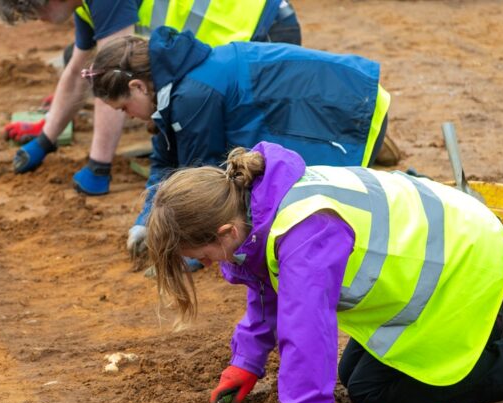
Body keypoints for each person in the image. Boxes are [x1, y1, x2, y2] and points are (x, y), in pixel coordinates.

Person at [145, 141, 503, 403]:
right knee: (356, 377)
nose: (203, 266)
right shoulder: (258, 202)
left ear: (224, 231)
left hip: (469, 264)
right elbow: (265, 288)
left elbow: (306, 341)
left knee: (372, 392)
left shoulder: (301, 237)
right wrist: (247, 361)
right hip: (463, 242)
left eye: (201, 257)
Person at [85, 27, 391, 258]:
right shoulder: (175, 86)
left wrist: (189, 250)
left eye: (124, 108)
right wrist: (146, 220)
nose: (130, 117)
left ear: (137, 86)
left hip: (350, 112)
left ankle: (397, 178)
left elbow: (201, 181)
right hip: (348, 98)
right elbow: (166, 160)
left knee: (321, 205)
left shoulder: (192, 96)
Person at [0, 0, 302, 195]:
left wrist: (99, 166)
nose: (37, 19)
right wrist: (44, 141)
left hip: (263, 30)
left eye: (33, 10)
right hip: (223, 55)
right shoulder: (85, 6)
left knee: (240, 158)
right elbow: (78, 72)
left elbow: (112, 78)